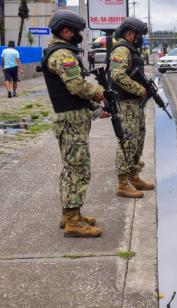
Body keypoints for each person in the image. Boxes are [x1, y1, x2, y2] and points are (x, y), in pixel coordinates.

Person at [42, 9, 106, 237]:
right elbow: (77, 86)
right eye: (76, 31)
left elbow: (74, 93)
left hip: (73, 118)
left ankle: (71, 213)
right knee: (77, 170)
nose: (79, 34)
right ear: (66, 30)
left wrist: (96, 109)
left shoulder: (61, 52)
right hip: (70, 121)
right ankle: (72, 221)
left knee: (72, 168)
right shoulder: (62, 55)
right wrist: (99, 93)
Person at [110, 17, 155, 199]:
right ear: (129, 34)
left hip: (135, 104)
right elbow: (117, 75)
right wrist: (139, 89)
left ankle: (133, 176)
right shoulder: (121, 50)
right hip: (126, 104)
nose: (140, 39)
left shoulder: (131, 50)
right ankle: (122, 183)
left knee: (138, 139)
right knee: (127, 142)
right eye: (138, 35)